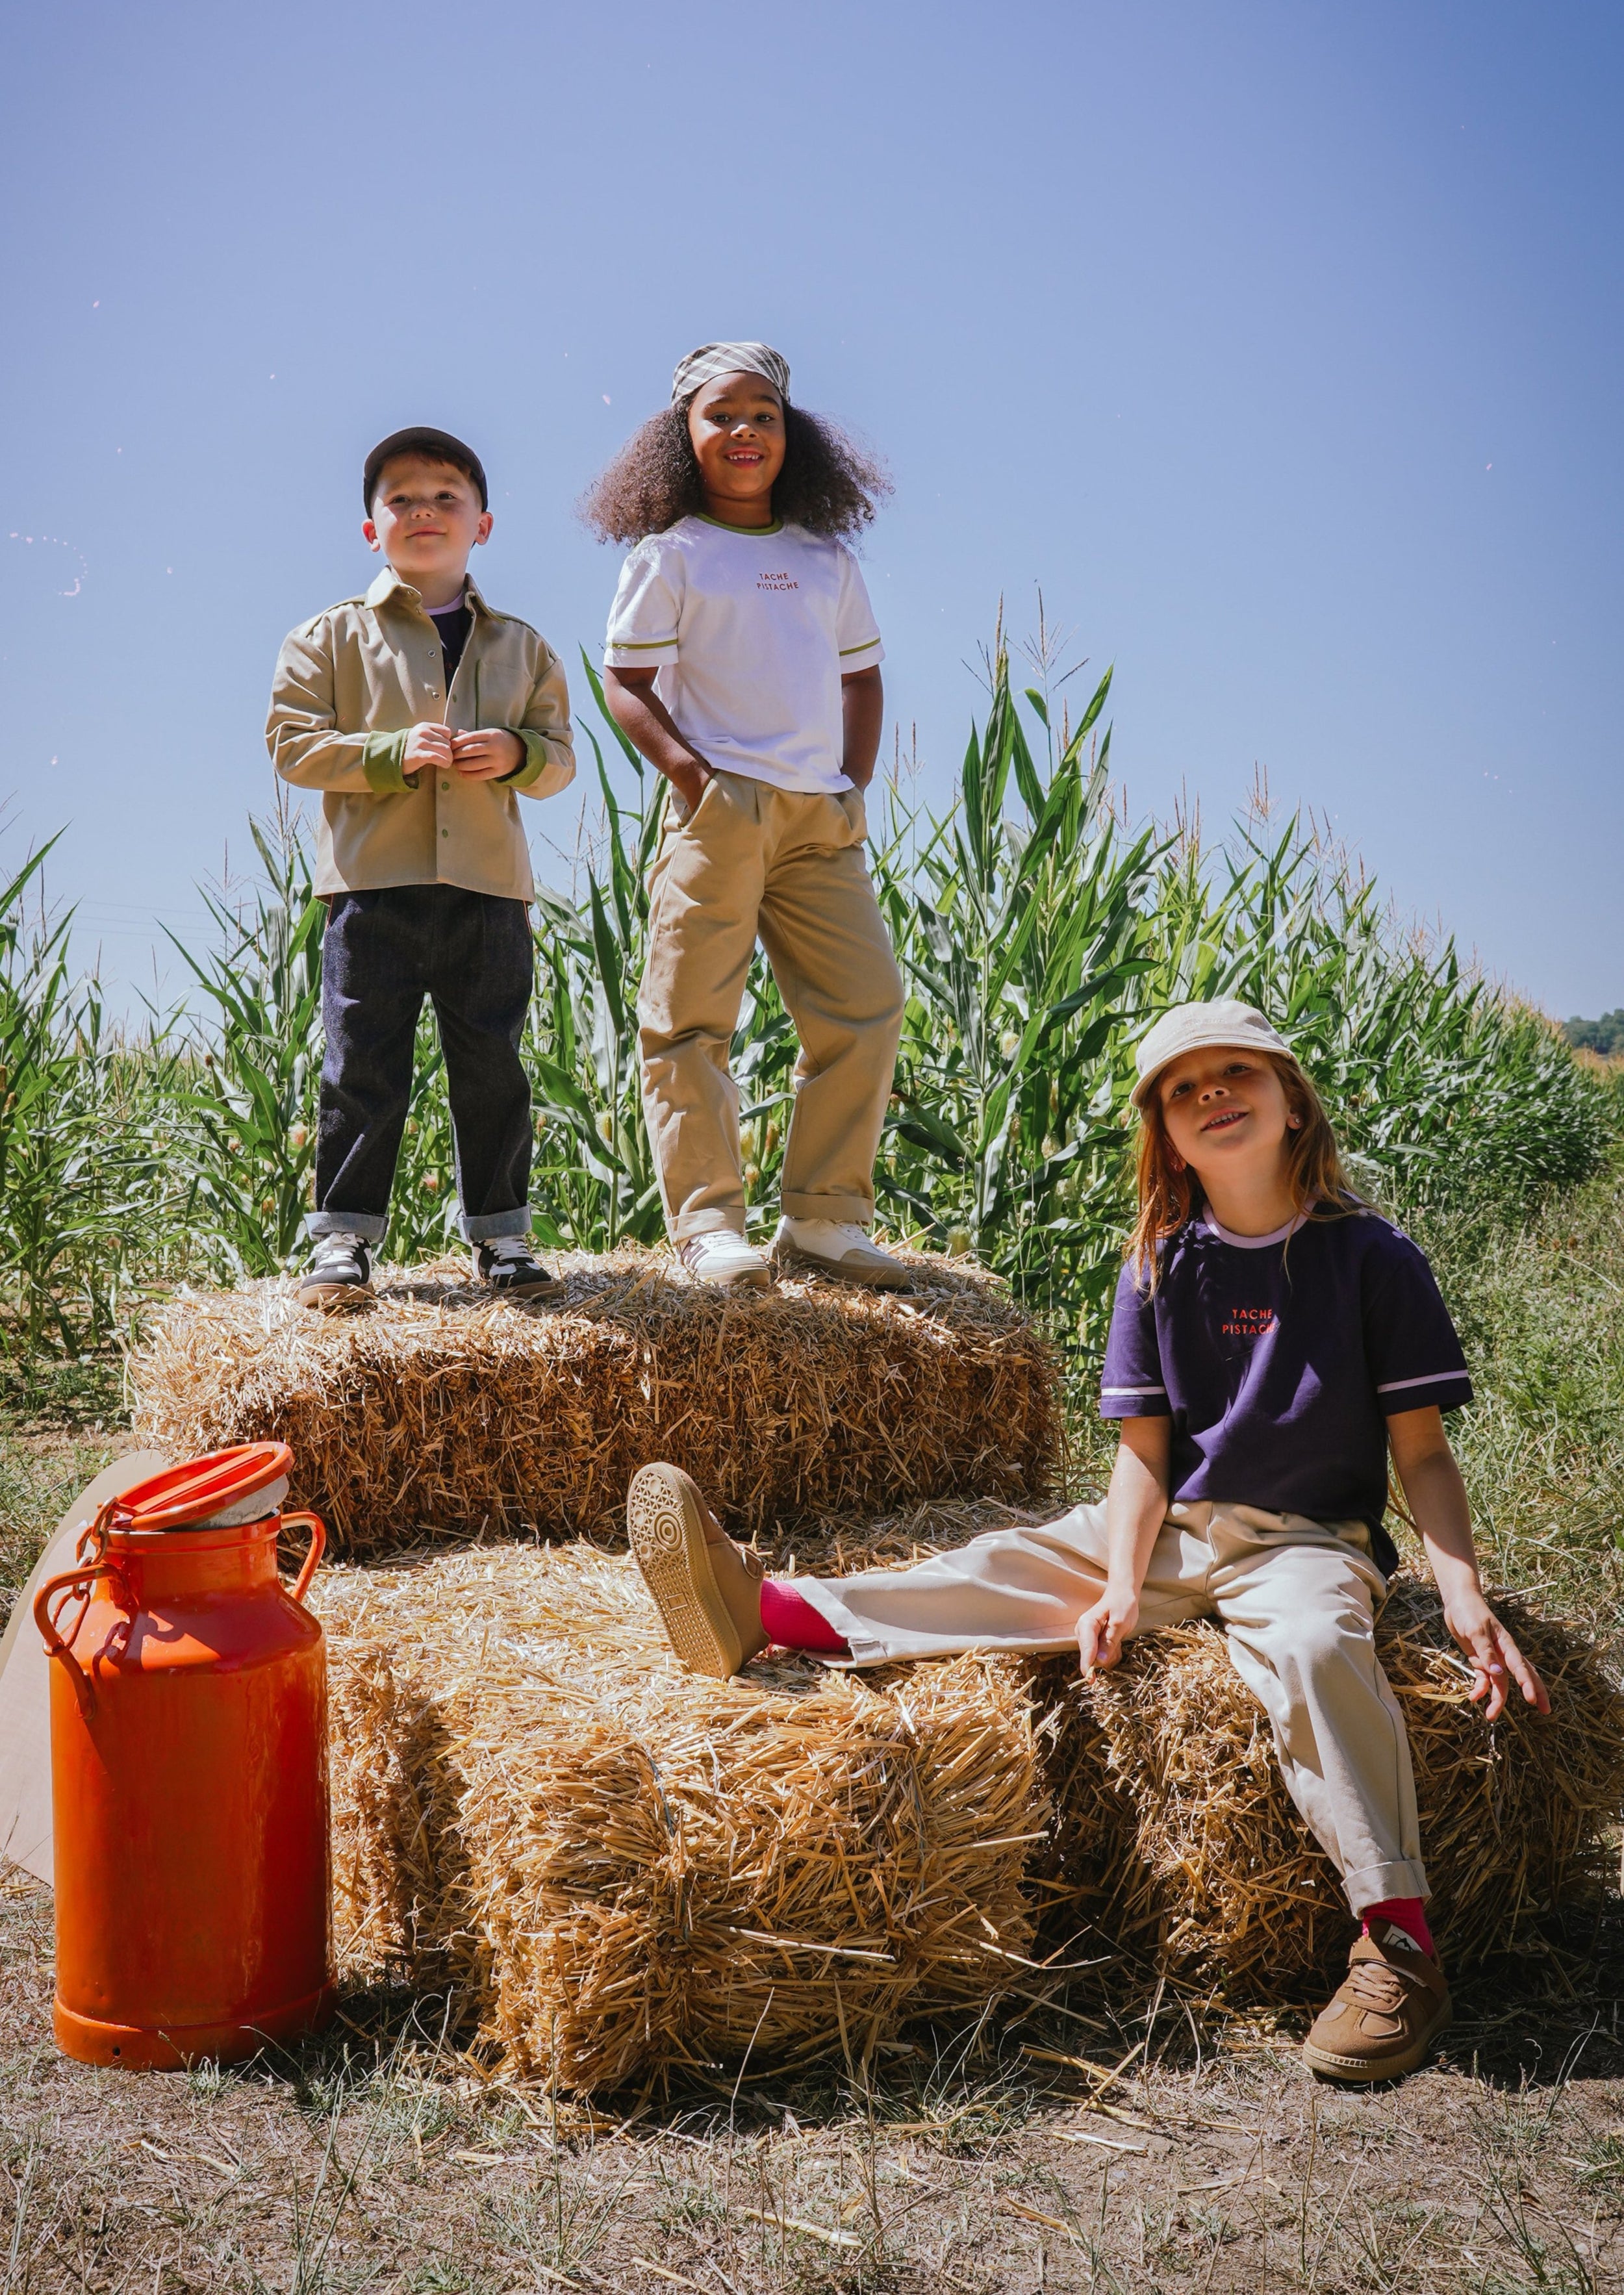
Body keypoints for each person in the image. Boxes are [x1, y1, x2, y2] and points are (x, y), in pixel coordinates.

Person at [625, 997, 1551, 2085]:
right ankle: (770, 1608)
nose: (1213, 1096)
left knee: (1311, 1652)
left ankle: (1398, 1940)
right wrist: (1117, 1585)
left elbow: (1423, 1456)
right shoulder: (1162, 1264)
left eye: (1237, 1075)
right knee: (1003, 1564)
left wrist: (1463, 1596)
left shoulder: (1373, 1258)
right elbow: (1147, 1455)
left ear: (1292, 1100)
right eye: (1184, 1087)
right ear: (1163, 1131)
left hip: (1306, 1539)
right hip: (1168, 1527)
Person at [583, 342, 908, 1291]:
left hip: (820, 816)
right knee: (690, 1021)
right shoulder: (671, 553)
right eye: (722, 414)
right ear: (682, 436)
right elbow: (626, 681)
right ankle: (707, 1225)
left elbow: (864, 675)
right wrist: (693, 778)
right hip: (718, 810)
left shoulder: (824, 557)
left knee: (866, 1006)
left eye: (764, 414)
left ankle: (825, 1218)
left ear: (790, 434)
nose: (745, 431)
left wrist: (852, 781)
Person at [267, 427, 575, 1307]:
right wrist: (388, 751)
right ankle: (344, 1242)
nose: (424, 511)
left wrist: (513, 752)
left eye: (447, 496)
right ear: (372, 529)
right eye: (401, 498)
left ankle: (503, 1237)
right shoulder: (327, 639)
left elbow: (560, 760)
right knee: (362, 1064)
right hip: (370, 892)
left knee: (494, 1063)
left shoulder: (523, 646)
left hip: (487, 894)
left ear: (484, 524)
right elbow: (292, 745)